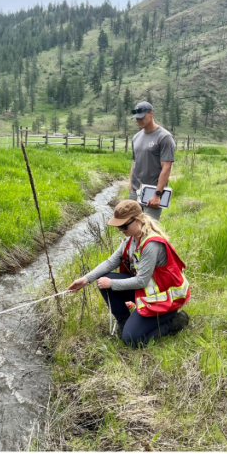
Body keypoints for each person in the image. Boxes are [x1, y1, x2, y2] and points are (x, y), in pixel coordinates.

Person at [66, 200, 191, 348]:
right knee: (104, 280)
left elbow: (142, 281)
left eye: (123, 225)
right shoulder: (130, 239)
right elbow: (110, 262)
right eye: (118, 226)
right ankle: (124, 322)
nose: (120, 229)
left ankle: (174, 321)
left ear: (138, 220)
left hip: (164, 299)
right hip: (147, 292)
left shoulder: (151, 244)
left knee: (132, 341)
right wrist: (86, 279)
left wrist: (111, 284)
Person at [129, 101, 176, 221]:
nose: (139, 120)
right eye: (137, 118)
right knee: (132, 230)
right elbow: (134, 163)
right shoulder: (136, 137)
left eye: (142, 117)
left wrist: (157, 194)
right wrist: (131, 190)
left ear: (151, 114)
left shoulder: (164, 137)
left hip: (152, 193)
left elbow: (166, 167)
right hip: (135, 192)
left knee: (148, 232)